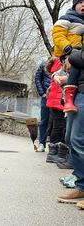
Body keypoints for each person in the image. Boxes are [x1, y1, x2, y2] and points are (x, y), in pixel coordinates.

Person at [57, 43, 84, 205]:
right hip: (78, 92)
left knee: (79, 140)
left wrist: (73, 56)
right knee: (70, 140)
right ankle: (81, 186)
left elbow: (77, 57)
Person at [52, 0, 84, 113]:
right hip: (68, 51)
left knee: (73, 76)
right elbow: (58, 35)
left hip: (78, 52)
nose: (83, 5)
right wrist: (67, 48)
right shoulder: (67, 18)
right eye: (80, 2)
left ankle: (66, 97)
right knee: (74, 67)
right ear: (74, 5)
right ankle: (68, 98)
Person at [45, 55, 67, 164]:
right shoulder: (61, 63)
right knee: (59, 127)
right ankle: (53, 153)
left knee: (58, 127)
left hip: (55, 100)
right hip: (58, 101)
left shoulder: (57, 62)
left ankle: (54, 153)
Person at [34, 60, 51, 152]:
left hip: (59, 97)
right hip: (46, 96)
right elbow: (37, 79)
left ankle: (57, 146)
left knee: (58, 122)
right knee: (44, 120)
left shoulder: (63, 62)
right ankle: (42, 143)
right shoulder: (44, 64)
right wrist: (42, 93)